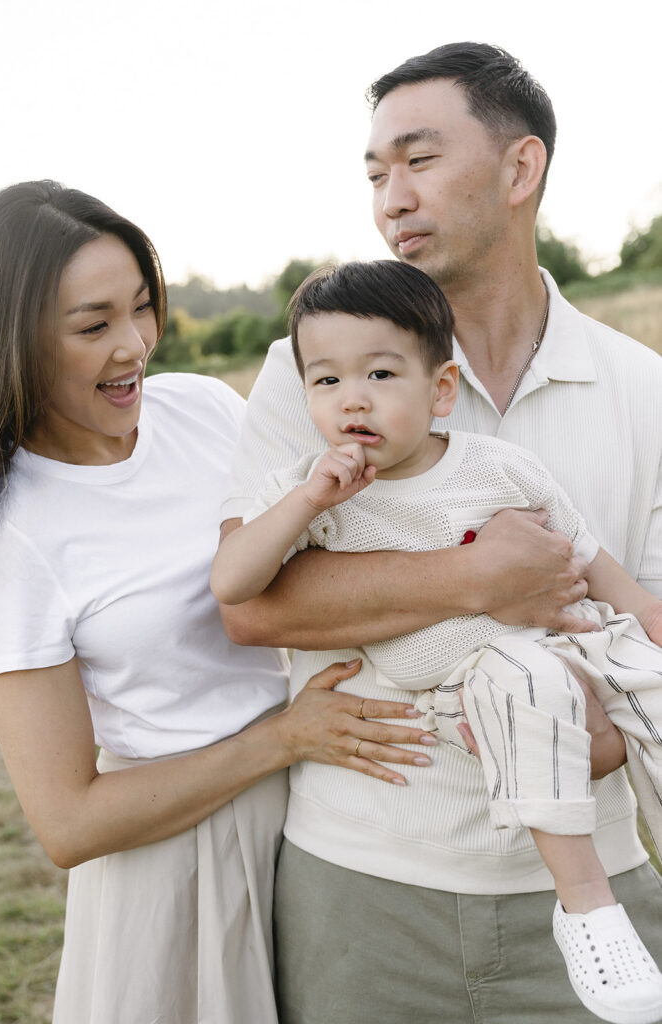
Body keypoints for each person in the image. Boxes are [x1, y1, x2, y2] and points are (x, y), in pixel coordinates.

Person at [217, 43, 662, 1024]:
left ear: (519, 168)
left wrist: (585, 723)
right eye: (374, 172)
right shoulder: (315, 377)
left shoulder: (643, 386)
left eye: (416, 160)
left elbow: (646, 612)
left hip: (599, 876)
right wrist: (474, 580)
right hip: (365, 881)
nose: (390, 196)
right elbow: (250, 608)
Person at [0, 181, 440, 1024]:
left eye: (143, 309)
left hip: (324, 816)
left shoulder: (201, 409)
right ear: (16, 340)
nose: (134, 347)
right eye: (93, 326)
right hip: (177, 864)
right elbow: (67, 823)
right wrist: (282, 738)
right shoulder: (14, 537)